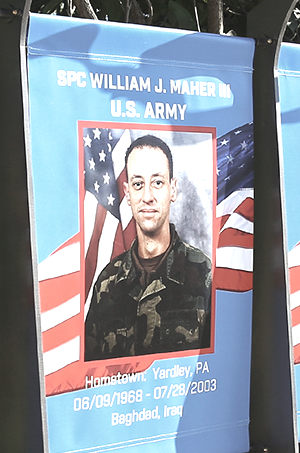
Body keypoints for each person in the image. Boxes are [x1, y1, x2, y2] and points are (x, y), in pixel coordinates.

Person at [83, 135, 214, 358]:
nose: (147, 197)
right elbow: (92, 370)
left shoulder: (205, 275)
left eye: (157, 183)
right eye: (138, 184)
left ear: (173, 189)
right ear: (127, 193)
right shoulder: (106, 282)